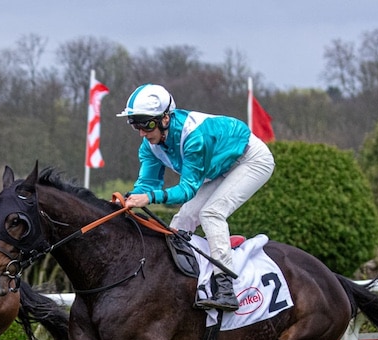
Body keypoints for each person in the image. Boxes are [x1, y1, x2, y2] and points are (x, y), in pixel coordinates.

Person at [117, 83, 275, 312]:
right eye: (136, 126)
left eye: (146, 124)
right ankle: (179, 283)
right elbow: (147, 184)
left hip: (251, 159)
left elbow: (187, 190)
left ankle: (225, 287)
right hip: (220, 167)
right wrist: (128, 199)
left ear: (165, 119)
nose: (142, 132)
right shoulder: (149, 145)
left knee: (211, 213)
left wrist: (149, 198)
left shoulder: (194, 138)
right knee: (180, 223)